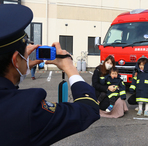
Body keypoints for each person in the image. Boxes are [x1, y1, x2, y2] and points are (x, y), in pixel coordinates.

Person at [0, 4, 99, 146]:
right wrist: (69, 67)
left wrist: (20, 67)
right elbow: (88, 109)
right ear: (16, 60)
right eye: (25, 54)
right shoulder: (27, 109)